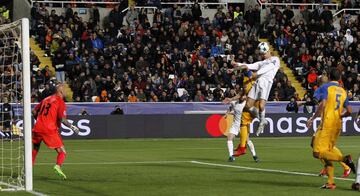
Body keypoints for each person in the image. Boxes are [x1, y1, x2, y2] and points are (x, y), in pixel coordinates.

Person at [306, 68, 354, 189]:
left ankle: (344, 159)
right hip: (337, 125)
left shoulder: (325, 87)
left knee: (317, 153)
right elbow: (349, 111)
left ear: (328, 76)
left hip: (327, 123)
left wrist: (312, 118)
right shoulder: (343, 91)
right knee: (327, 152)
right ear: (339, 78)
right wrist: (340, 115)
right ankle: (330, 182)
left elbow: (322, 103)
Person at [229, 42, 280, 136]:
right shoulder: (262, 62)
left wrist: (257, 73)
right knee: (248, 105)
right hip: (258, 82)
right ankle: (261, 119)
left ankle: (261, 121)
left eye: (264, 53)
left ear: (269, 51)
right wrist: (236, 64)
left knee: (261, 106)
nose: (263, 55)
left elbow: (269, 68)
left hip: (266, 82)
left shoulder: (275, 59)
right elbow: (249, 65)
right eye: (262, 54)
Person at [32, 84, 80, 180]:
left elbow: (34, 111)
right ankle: (57, 166)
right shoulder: (60, 101)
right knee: (62, 151)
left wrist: (40, 120)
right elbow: (62, 118)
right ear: (60, 91)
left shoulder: (46, 99)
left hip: (37, 128)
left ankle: (27, 170)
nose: (67, 91)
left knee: (35, 149)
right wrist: (72, 126)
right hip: (49, 129)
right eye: (65, 89)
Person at [223, 70, 259, 161]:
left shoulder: (247, 104)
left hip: (243, 124)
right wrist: (227, 113)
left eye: (244, 96)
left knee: (247, 140)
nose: (243, 97)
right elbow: (230, 108)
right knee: (229, 137)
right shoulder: (234, 103)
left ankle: (255, 156)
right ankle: (231, 156)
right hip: (236, 124)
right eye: (242, 96)